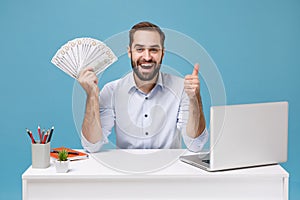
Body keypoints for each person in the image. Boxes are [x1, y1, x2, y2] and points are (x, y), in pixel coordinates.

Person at [78, 21, 208, 153]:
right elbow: (91, 146)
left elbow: (196, 144)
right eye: (140, 49)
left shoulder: (181, 88)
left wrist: (194, 99)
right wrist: (91, 95)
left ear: (162, 53)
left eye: (154, 50)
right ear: (130, 52)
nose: (147, 57)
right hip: (126, 169)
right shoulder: (111, 91)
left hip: (170, 171)